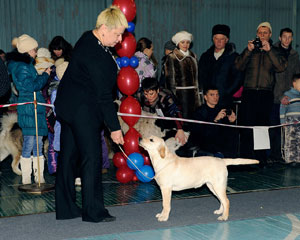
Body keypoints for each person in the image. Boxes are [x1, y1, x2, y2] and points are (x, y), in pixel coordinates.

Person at [54, 6, 127, 222]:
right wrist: (115, 128)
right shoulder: (97, 56)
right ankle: (93, 212)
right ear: (104, 28)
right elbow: (104, 97)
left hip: (67, 107)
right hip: (83, 112)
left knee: (68, 157)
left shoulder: (87, 37)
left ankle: (66, 209)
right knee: (91, 159)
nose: (120, 39)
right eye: (117, 34)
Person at [235, 22, 287, 165]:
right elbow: (238, 65)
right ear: (257, 34)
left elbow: (281, 67)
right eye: (260, 33)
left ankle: (260, 159)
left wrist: (269, 51)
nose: (262, 35)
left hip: (265, 93)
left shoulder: (276, 50)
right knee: (246, 125)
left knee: (262, 127)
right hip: (249, 92)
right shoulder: (250, 49)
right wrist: (248, 50)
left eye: (265, 33)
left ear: (270, 35)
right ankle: (245, 158)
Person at [6, 34, 51, 184]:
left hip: (34, 108)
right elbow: (31, 86)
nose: (36, 52)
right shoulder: (22, 67)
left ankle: (39, 177)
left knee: (37, 142)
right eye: (34, 49)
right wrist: (44, 76)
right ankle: (27, 178)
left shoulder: (26, 65)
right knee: (30, 143)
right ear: (26, 51)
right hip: (29, 109)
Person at [176, 86, 237, 158]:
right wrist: (215, 120)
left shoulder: (221, 110)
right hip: (203, 146)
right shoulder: (199, 112)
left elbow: (225, 132)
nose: (215, 97)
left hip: (219, 145)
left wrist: (231, 121)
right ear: (205, 97)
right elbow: (201, 134)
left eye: (217, 95)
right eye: (212, 95)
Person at [269, 28, 300, 163]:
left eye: (290, 37)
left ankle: (287, 155)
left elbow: (297, 77)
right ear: (280, 38)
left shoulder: (295, 55)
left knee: (290, 129)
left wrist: (293, 95)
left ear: (292, 39)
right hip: (275, 97)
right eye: (284, 37)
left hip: (291, 98)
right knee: (274, 127)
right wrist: (280, 95)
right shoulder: (272, 51)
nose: (287, 39)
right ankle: (273, 155)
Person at [198, 24, 243, 108]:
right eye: (216, 38)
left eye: (222, 39)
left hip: (225, 100)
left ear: (227, 40)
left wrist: (227, 92)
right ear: (212, 39)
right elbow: (201, 76)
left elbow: (238, 78)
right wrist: (206, 93)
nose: (219, 41)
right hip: (208, 102)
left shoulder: (234, 57)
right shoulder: (205, 56)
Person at [138, 77, 187, 145]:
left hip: (169, 119)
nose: (148, 97)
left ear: (157, 90)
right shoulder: (141, 95)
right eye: (146, 94)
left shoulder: (166, 97)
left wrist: (180, 129)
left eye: (151, 94)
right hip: (151, 120)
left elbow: (176, 111)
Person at [165, 30, 201, 120]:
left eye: (188, 42)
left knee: (195, 120)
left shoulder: (194, 56)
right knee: (183, 121)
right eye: (183, 42)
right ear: (178, 43)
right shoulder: (172, 57)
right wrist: (173, 98)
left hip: (195, 96)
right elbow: (170, 80)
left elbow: (198, 78)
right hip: (181, 96)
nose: (185, 45)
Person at [280, 74, 300, 165]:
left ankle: (298, 159)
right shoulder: (287, 95)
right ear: (294, 83)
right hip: (290, 121)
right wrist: (282, 122)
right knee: (290, 141)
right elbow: (282, 108)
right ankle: (290, 159)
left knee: (298, 140)